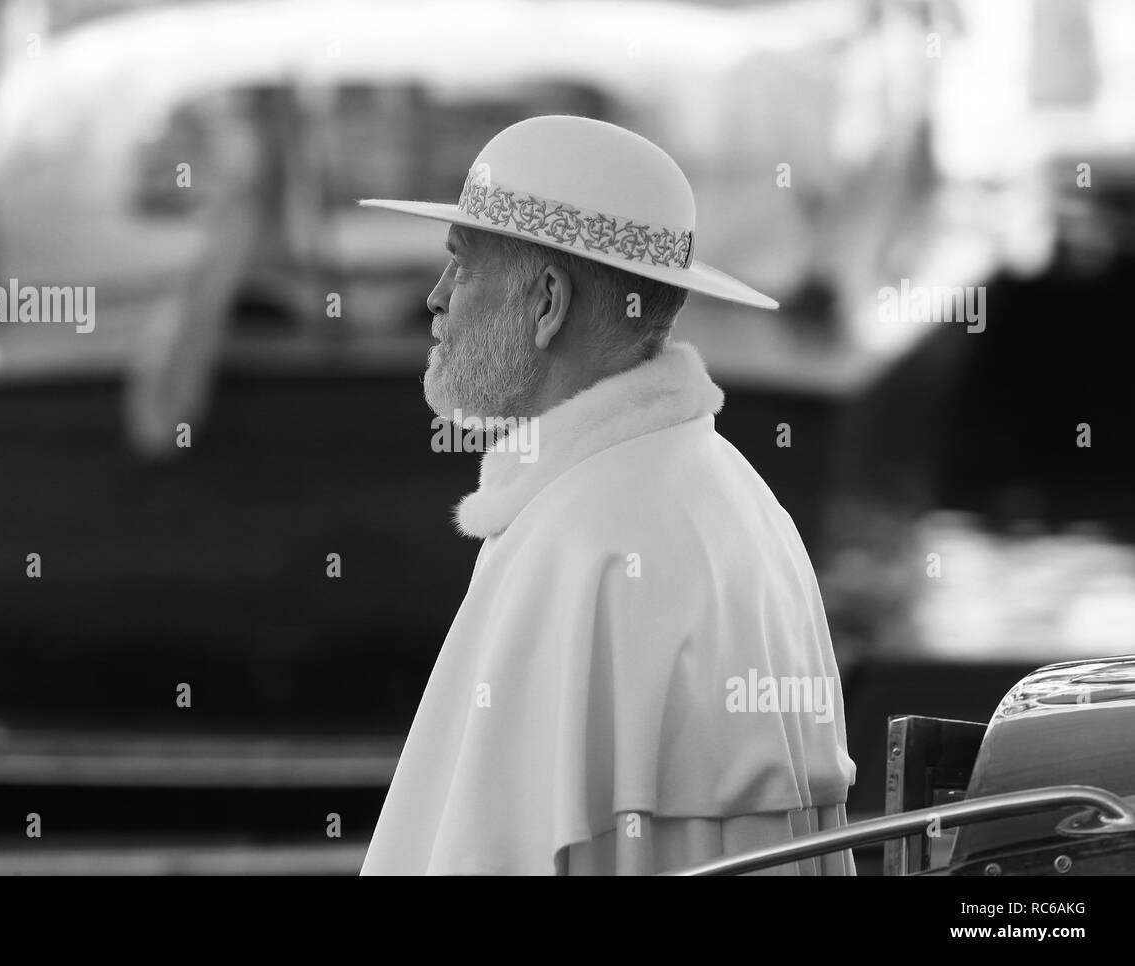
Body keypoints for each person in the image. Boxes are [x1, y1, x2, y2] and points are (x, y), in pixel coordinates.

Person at [357, 115, 855, 875]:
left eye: (460, 264)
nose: (435, 297)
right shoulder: (749, 501)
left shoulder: (576, 540)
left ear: (548, 302)